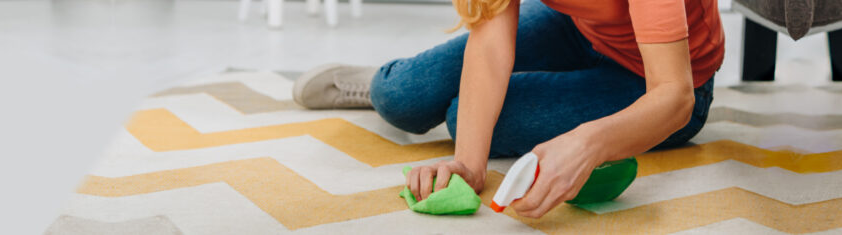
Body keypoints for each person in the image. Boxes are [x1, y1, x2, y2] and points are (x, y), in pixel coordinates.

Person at [292, 0, 722, 218]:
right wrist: (468, 164)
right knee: (401, 97)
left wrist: (588, 143)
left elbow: (674, 96)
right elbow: (491, 44)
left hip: (662, 79)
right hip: (579, 29)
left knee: (466, 117)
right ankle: (391, 79)